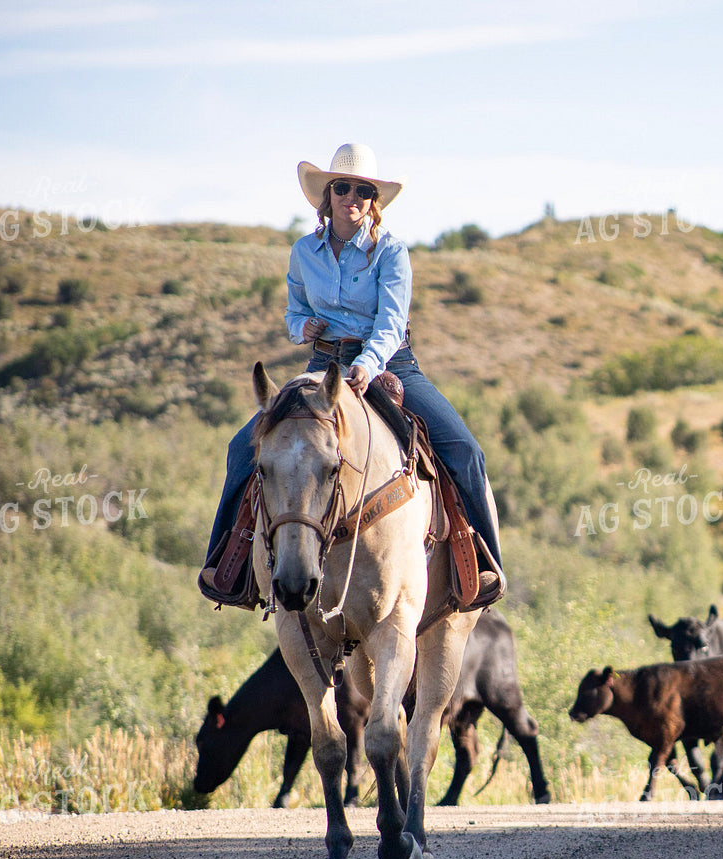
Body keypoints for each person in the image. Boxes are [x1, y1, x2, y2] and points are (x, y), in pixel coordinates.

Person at [204, 143, 502, 607]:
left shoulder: (392, 252)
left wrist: (367, 365)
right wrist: (302, 326)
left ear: (373, 200)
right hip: (323, 365)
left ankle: (483, 566)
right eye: (342, 187)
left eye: (363, 190)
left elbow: (390, 322)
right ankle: (229, 567)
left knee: (464, 450)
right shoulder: (304, 252)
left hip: (389, 362)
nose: (352, 196)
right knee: (243, 446)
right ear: (328, 195)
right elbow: (293, 310)